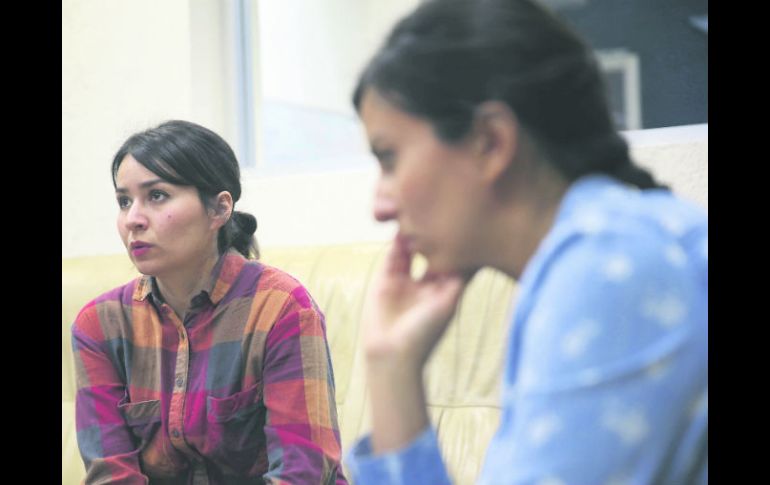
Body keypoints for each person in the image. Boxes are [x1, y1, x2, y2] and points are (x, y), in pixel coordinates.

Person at [343, 0, 708, 484]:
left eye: (389, 158)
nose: (380, 207)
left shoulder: (608, 264)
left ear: (490, 142)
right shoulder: (601, 251)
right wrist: (392, 366)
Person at [72, 120, 348, 484]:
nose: (133, 219)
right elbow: (111, 475)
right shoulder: (100, 325)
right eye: (124, 201)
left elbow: (303, 473)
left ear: (219, 209)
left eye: (157, 196)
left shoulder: (281, 308)